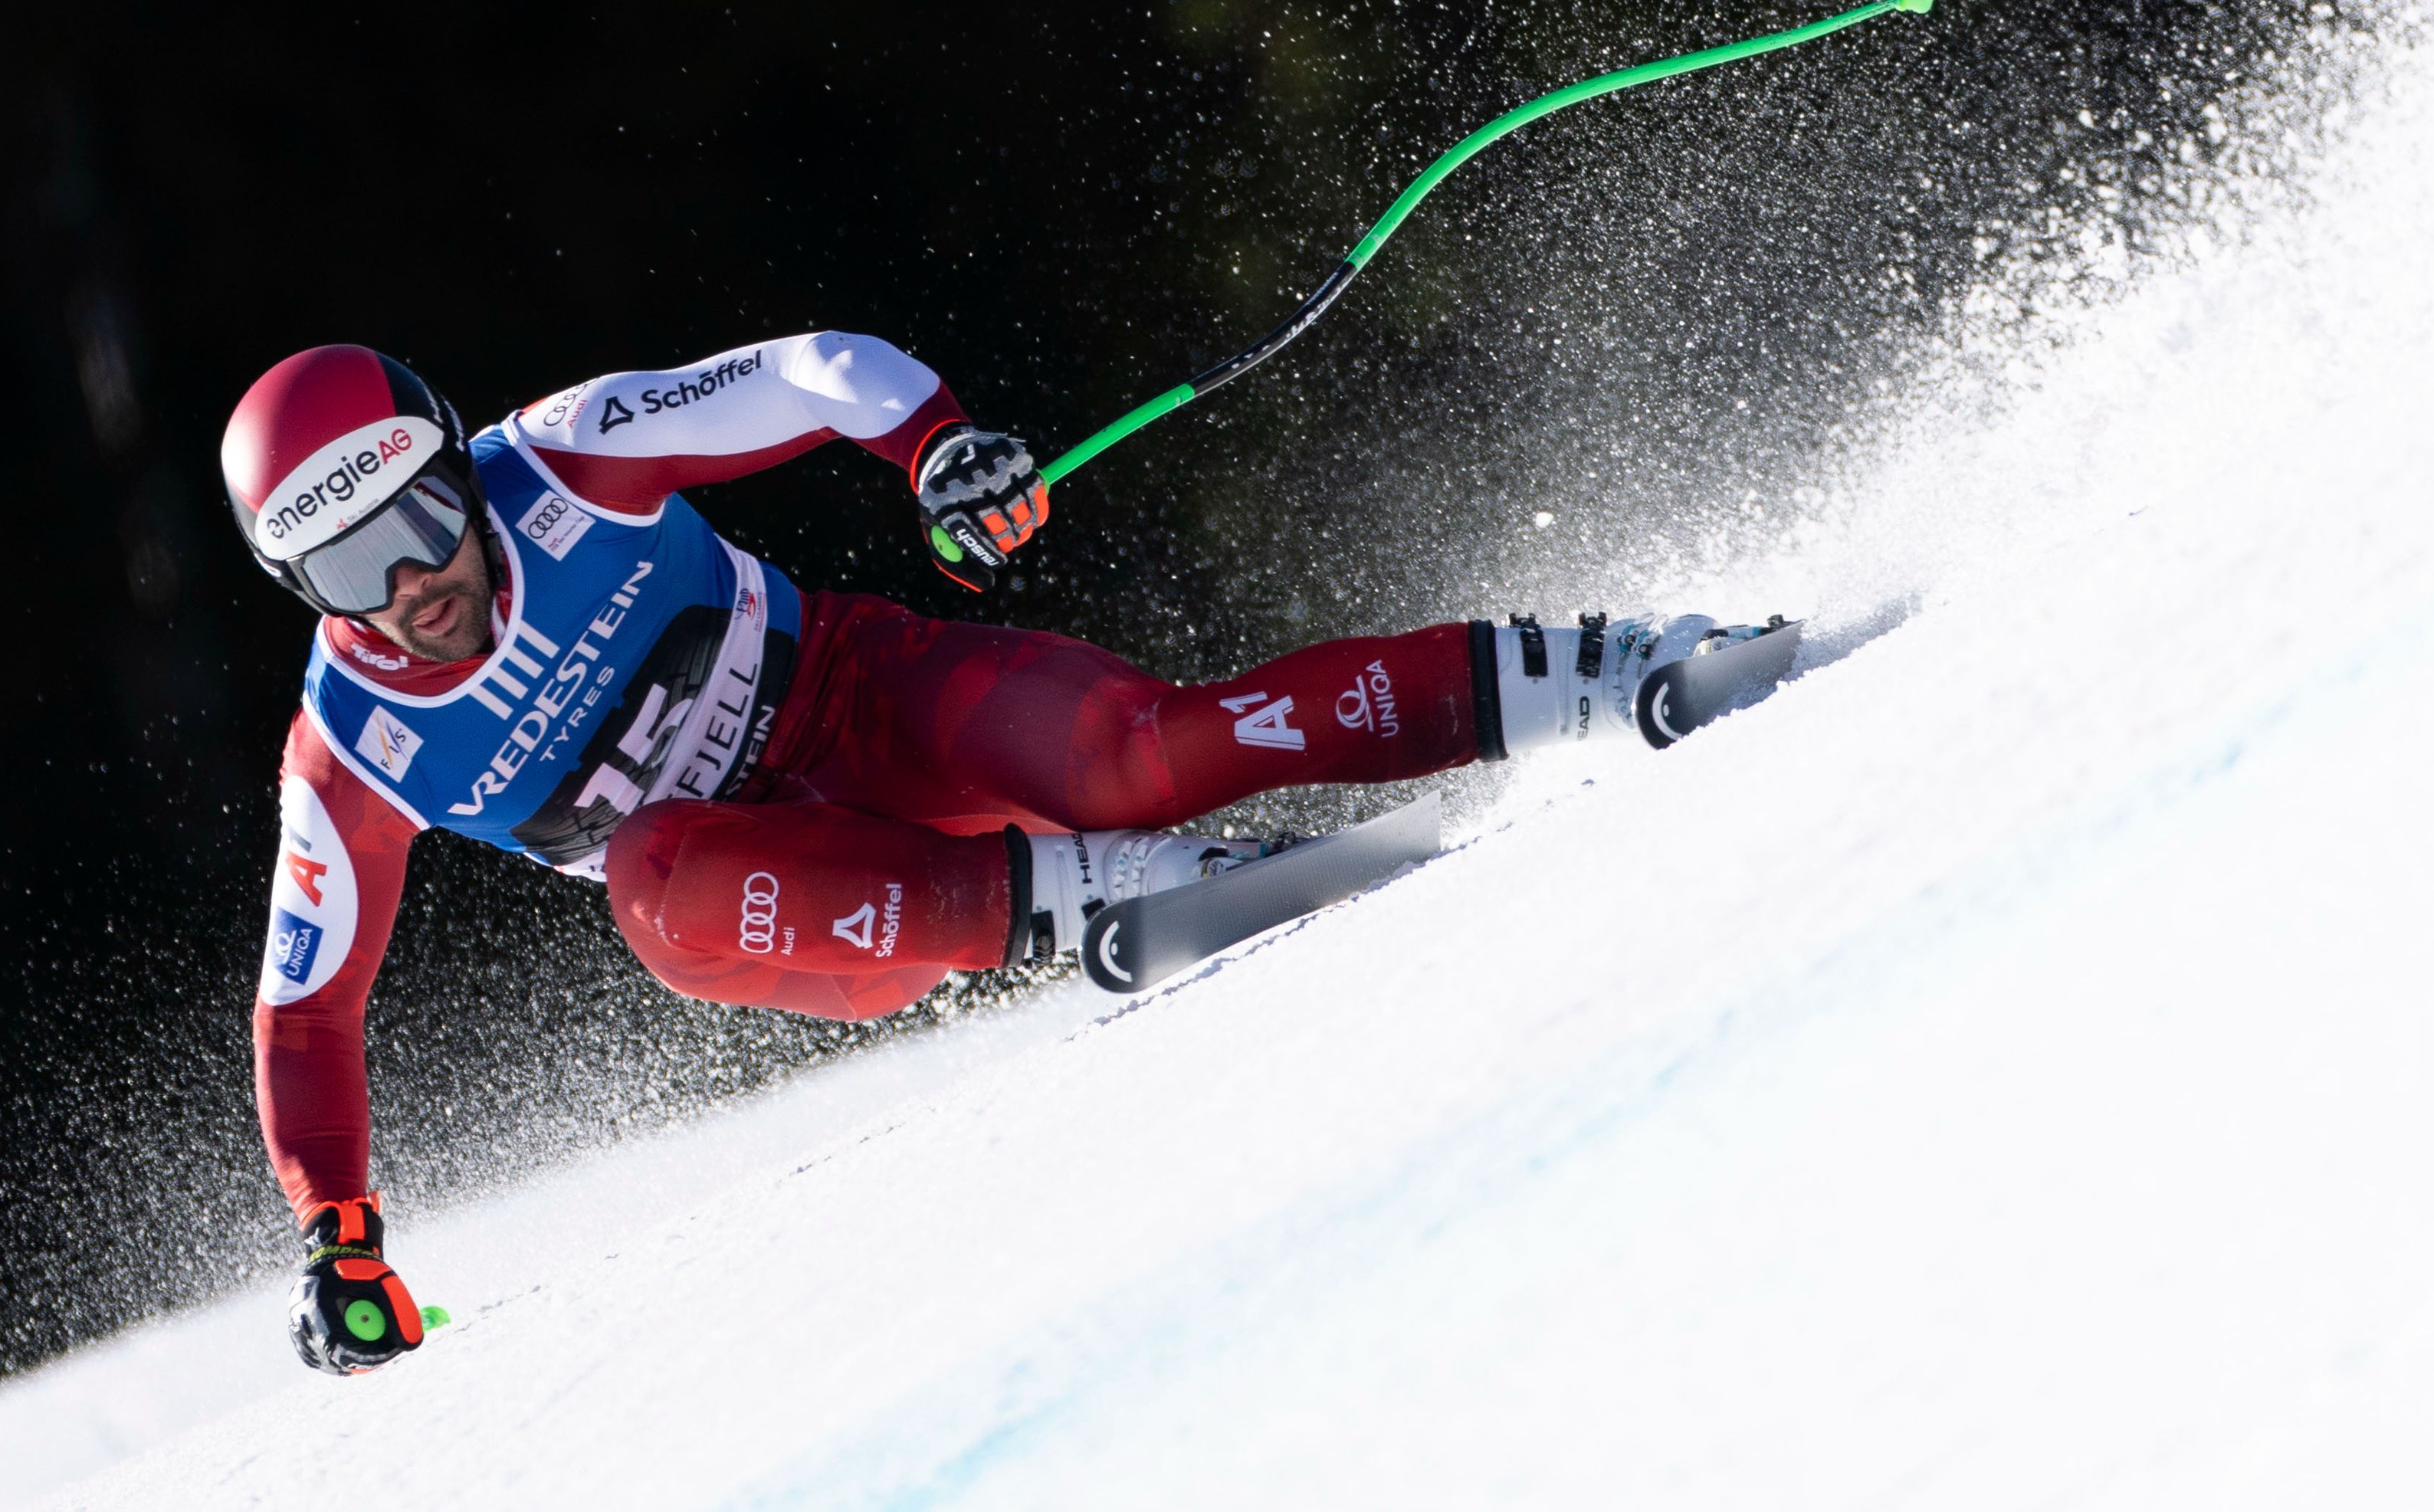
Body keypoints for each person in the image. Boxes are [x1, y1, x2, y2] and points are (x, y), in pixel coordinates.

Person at [221, 336, 1768, 1373]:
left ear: (449, 459)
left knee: (1138, 756)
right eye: (354, 565)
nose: (417, 575)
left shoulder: (556, 462)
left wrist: (936, 450)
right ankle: (1098, 903)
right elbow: (305, 1011)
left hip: (860, 694)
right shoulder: (350, 745)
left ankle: (1596, 665)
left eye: (422, 513)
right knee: (653, 888)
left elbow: (810, 368)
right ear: (304, 585)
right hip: (820, 896)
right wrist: (336, 1230)